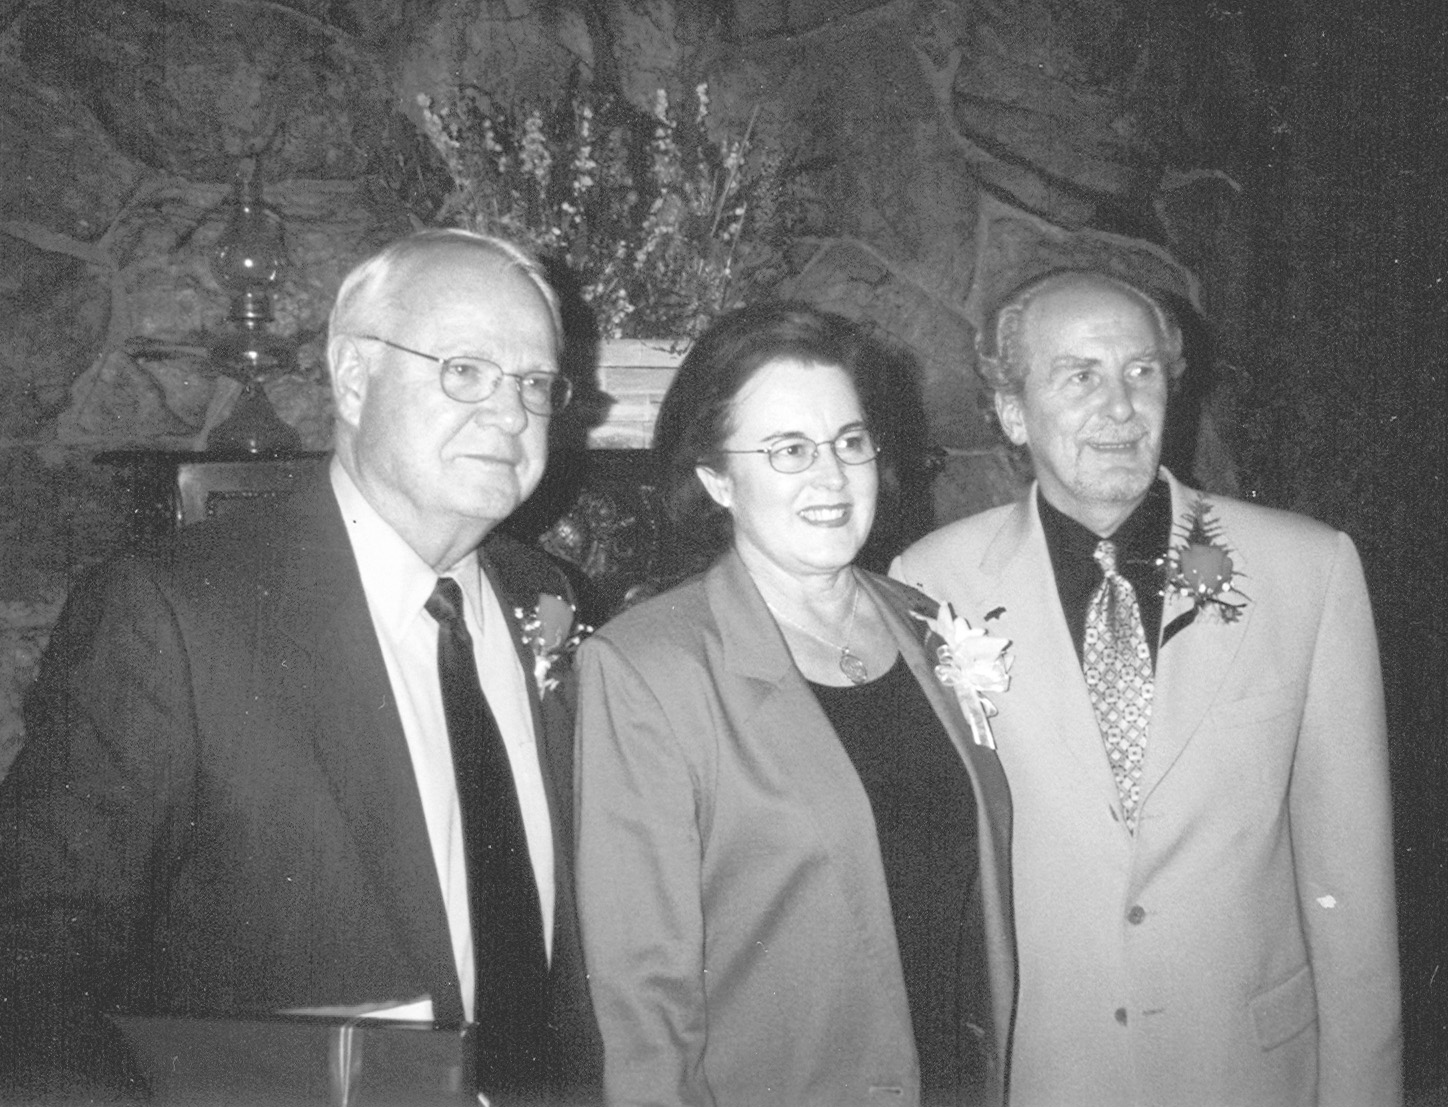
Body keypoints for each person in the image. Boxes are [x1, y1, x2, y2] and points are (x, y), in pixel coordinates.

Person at [0, 229, 601, 1104]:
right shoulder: (175, 611)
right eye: (465, 371)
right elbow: (34, 966)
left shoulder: (547, 596)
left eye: (536, 384)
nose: (511, 414)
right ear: (354, 376)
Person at [892, 268, 1401, 1107]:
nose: (1121, 407)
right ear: (1014, 412)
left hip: (1250, 1071)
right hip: (1045, 1075)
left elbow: (1353, 885)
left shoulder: (1307, 570)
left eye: (1141, 373)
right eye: (1080, 375)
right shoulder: (932, 583)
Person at [574, 301, 1015, 1107]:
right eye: (787, 449)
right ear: (715, 477)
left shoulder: (923, 622)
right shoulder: (649, 668)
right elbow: (644, 996)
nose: (832, 476)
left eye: (850, 441)